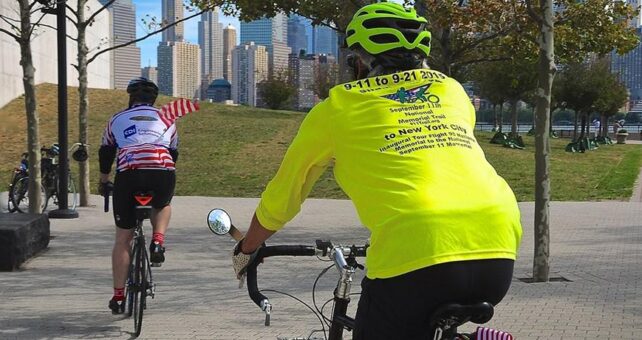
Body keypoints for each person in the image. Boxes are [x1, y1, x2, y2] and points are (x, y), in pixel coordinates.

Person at [231, 3, 522, 340]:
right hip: (498, 246)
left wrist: (248, 249)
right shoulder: (453, 91)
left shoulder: (337, 108)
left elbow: (284, 196)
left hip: (417, 247)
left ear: (360, 61)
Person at [99, 77, 196, 314]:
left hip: (129, 175)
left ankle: (119, 297)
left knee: (123, 238)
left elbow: (106, 151)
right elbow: (173, 152)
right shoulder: (168, 118)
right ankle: (158, 241)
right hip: (161, 172)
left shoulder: (116, 119)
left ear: (131, 98)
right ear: (154, 99)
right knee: (162, 204)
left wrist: (103, 181)